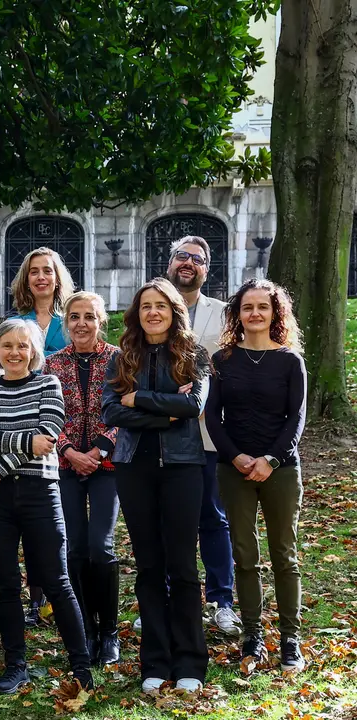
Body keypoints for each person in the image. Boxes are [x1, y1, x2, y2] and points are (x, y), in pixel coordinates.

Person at [0, 318, 93, 695]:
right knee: (5, 583)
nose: (14, 352)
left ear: (33, 351)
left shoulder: (47, 383)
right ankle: (16, 665)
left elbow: (50, 434)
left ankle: (81, 664)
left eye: (22, 346)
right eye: (6, 345)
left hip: (40, 491)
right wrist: (25, 446)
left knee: (57, 580)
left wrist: (2, 464)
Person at [102, 278, 210, 694]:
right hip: (133, 467)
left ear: (173, 311)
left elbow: (192, 406)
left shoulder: (194, 353)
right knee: (148, 566)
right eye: (145, 305)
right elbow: (112, 412)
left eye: (160, 305)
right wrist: (163, 411)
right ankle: (155, 662)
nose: (152, 312)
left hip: (182, 466)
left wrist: (139, 399)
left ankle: (190, 662)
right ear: (137, 312)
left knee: (182, 566)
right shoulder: (122, 357)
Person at [206, 279, 307, 673]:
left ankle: (289, 639)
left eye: (262, 307)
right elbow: (212, 416)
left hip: (280, 469)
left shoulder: (289, 361)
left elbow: (297, 419)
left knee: (285, 555)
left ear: (275, 312)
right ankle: (252, 637)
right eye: (248, 307)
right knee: (245, 556)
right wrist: (236, 458)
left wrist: (270, 458)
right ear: (238, 314)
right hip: (234, 470)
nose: (255, 314)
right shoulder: (223, 360)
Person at [166, 235, 239, 636]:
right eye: (182, 256)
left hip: (210, 432)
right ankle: (165, 598)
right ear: (170, 262)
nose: (188, 263)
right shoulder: (153, 305)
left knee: (213, 517)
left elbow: (233, 369)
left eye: (197, 259)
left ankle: (222, 600)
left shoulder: (224, 314)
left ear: (207, 269)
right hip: (162, 432)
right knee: (167, 521)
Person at [43, 292, 120, 666]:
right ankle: (85, 629)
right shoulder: (51, 363)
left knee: (101, 548)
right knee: (74, 549)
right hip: (65, 465)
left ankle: (110, 631)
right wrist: (69, 451)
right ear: (65, 323)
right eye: (74, 317)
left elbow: (126, 409)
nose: (81, 324)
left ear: (100, 320)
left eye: (89, 316)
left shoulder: (119, 359)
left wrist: (101, 449)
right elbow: (43, 414)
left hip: (107, 465)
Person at [9, 247, 76, 622]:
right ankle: (36, 599)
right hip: (26, 431)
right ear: (26, 279)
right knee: (32, 521)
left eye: (47, 271)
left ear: (57, 277)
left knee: (60, 523)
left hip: (67, 424)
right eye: (33, 271)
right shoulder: (15, 322)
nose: (40, 277)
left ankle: (62, 592)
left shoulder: (72, 319)